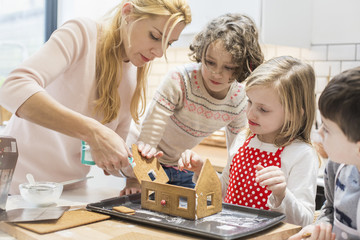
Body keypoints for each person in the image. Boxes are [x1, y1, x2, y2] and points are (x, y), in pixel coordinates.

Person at [0, 0, 191, 194]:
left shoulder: (133, 74)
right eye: (155, 36)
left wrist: (136, 167)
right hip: (15, 187)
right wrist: (93, 132)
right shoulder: (82, 34)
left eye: (168, 43)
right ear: (128, 13)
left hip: (69, 192)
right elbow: (13, 87)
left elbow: (110, 159)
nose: (160, 52)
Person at [121, 13, 264, 194]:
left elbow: (237, 151)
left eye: (229, 67)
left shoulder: (239, 101)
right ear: (201, 52)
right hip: (144, 157)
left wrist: (230, 189)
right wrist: (137, 177)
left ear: (244, 66)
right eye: (210, 62)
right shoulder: (180, 79)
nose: (216, 73)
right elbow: (149, 135)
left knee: (187, 212)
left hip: (179, 166)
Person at [178, 56, 319, 227]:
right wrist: (202, 170)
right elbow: (224, 191)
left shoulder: (300, 154)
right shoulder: (242, 139)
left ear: (294, 113)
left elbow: (304, 221)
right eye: (249, 102)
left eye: (263, 109)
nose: (251, 114)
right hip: (229, 232)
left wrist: (282, 194)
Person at [289, 67, 360, 240]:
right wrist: (316, 229)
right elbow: (330, 210)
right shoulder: (336, 166)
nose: (319, 132)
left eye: (327, 129)